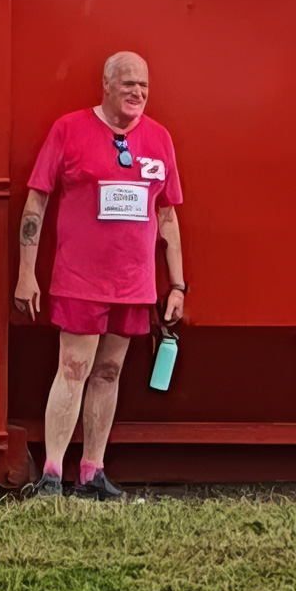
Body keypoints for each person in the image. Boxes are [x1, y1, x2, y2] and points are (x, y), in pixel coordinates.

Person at [13, 52, 185, 500]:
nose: (138, 93)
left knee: (109, 372)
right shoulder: (68, 130)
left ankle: (91, 471)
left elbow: (167, 217)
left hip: (134, 283)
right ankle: (52, 473)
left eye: (144, 85)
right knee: (73, 368)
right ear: (105, 85)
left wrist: (177, 284)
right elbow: (36, 205)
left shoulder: (160, 139)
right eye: (128, 84)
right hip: (79, 280)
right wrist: (25, 275)